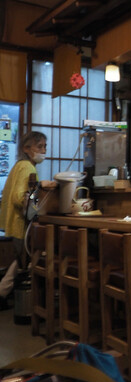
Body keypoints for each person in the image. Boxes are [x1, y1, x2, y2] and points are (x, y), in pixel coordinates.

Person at [0, 131, 56, 310]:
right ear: (26, 148)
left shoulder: (19, 165)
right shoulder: (27, 168)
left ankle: (3, 293)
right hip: (21, 223)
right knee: (28, 261)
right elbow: (20, 198)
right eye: (39, 146)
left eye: (45, 146)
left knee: (21, 261)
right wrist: (40, 187)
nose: (43, 150)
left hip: (14, 222)